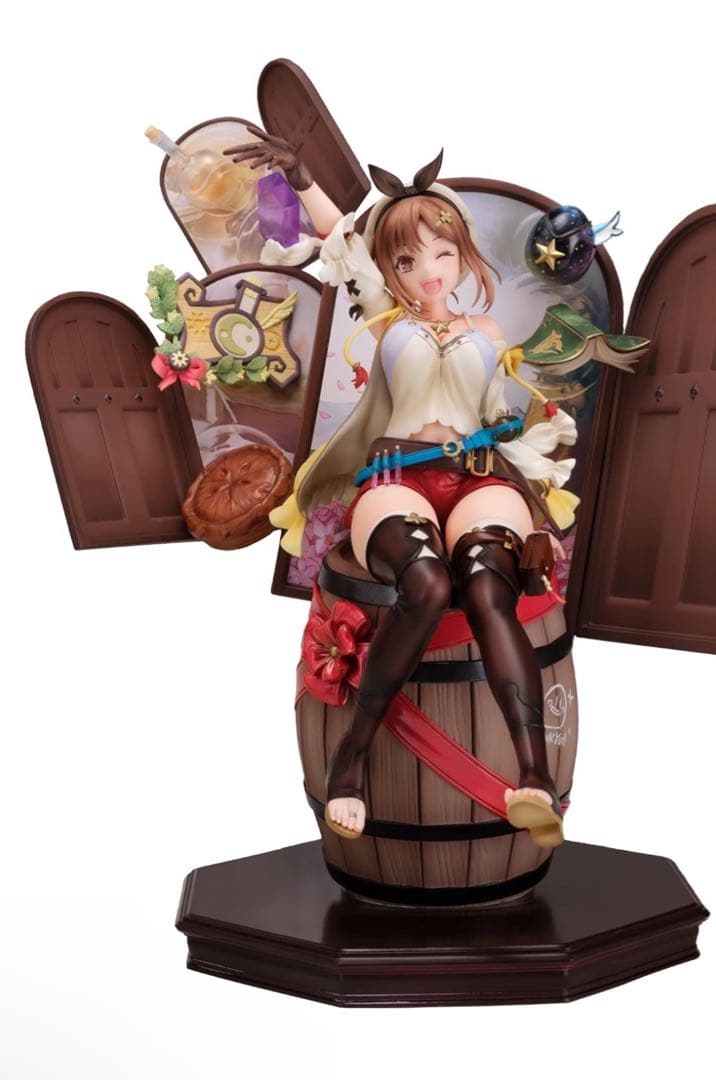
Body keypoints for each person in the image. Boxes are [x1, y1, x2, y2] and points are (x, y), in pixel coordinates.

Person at [226, 132, 583, 849]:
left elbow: (499, 415)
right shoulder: (384, 318)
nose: (427, 271)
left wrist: (526, 437)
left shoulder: (489, 330)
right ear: (389, 268)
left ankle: (535, 779)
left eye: (442, 253)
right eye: (406, 260)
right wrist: (301, 179)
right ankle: (352, 758)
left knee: (487, 582)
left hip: (479, 476)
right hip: (395, 476)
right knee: (424, 581)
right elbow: (342, 237)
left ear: (463, 254)